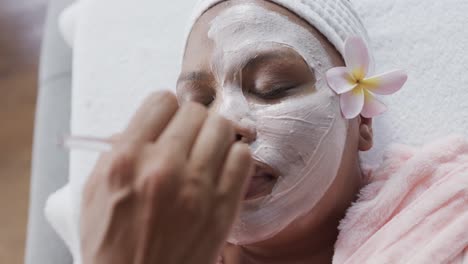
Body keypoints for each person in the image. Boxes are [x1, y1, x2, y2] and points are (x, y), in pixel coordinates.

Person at [80, 0, 468, 263]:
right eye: (199, 103)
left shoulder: (448, 222)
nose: (225, 123)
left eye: (272, 87)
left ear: (362, 122)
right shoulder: (139, 242)